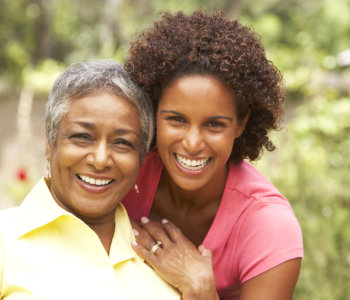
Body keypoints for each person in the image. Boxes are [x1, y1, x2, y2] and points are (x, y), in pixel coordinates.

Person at [122, 9, 304, 300]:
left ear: (241, 123)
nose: (193, 143)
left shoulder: (268, 226)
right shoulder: (127, 173)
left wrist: (201, 289)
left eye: (214, 124)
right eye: (176, 120)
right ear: (153, 112)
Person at [0, 60, 183, 300]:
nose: (100, 160)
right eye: (82, 136)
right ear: (50, 143)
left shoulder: (167, 261)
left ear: (141, 160)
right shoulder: (5, 241)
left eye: (122, 142)